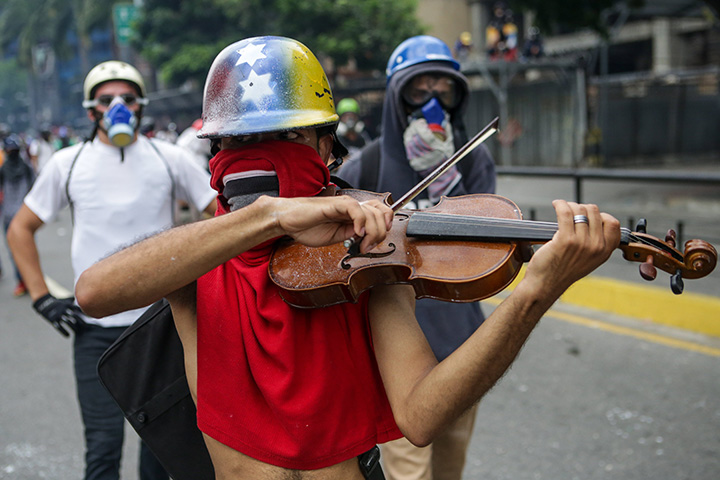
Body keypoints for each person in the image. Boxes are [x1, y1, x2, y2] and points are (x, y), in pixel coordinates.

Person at [74, 36, 621, 480]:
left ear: (325, 149)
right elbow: (95, 292)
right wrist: (270, 215)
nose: (258, 157)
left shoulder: (369, 253)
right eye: (239, 142)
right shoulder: (194, 260)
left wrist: (532, 294)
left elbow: (420, 417)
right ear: (215, 155)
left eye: (285, 137)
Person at [7, 60, 217, 480]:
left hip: (161, 327)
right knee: (102, 450)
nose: (118, 106)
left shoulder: (169, 158)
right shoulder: (68, 163)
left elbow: (220, 213)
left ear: (141, 106)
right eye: (106, 100)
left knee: (162, 453)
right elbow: (20, 228)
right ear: (91, 111)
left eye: (127, 98)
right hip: (94, 333)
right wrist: (42, 297)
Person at [338, 34, 496, 480]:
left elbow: (487, 250)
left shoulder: (472, 159)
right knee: (409, 473)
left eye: (442, 88)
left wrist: (450, 191)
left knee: (450, 467)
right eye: (418, 88)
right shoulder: (363, 167)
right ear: (396, 97)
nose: (431, 100)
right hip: (392, 351)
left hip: (460, 341)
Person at [1, 135, 35, 296]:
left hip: (19, 215)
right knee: (19, 249)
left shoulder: (25, 168)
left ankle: (25, 280)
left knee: (19, 249)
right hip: (17, 214)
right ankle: (24, 280)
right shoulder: (7, 170)